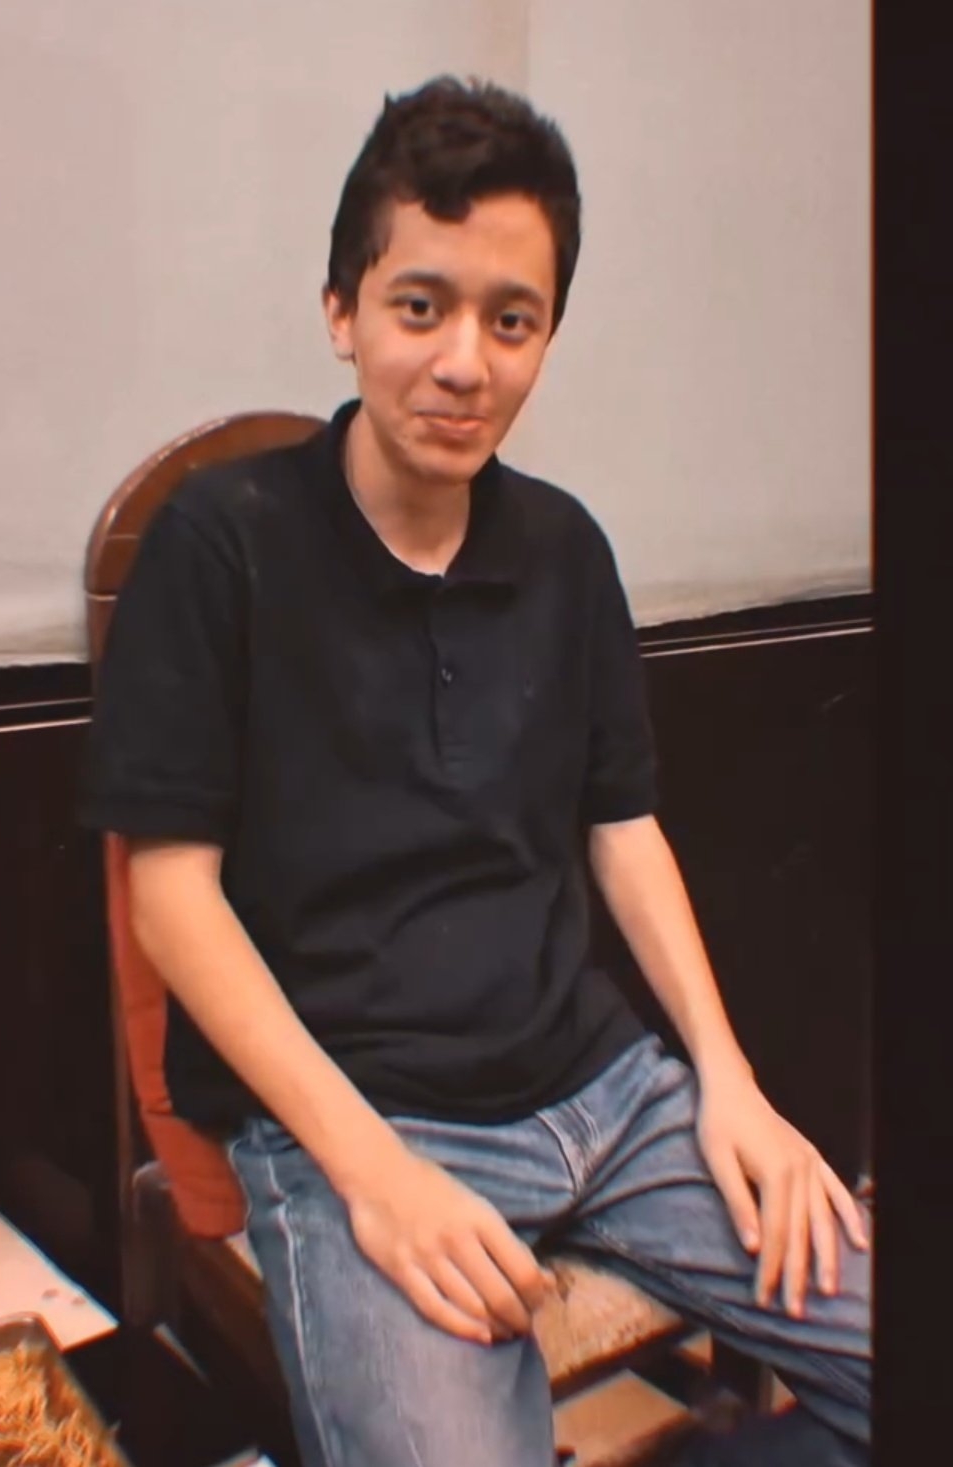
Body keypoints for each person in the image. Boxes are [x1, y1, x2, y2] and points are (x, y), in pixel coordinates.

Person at [81, 77, 871, 1467]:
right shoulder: (220, 544)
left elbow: (624, 827)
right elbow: (171, 899)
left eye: (513, 321)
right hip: (359, 1115)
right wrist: (374, 1175)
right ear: (342, 310)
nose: (465, 363)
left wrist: (729, 1079)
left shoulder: (564, 548)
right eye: (420, 306)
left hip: (608, 1091)